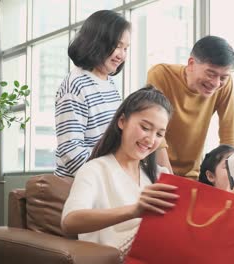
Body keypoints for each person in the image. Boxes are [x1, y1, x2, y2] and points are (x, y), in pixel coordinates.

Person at [61, 86, 178, 260]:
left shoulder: (159, 176)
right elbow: (69, 221)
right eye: (145, 127)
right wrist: (134, 210)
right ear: (122, 121)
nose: (151, 140)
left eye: (160, 134)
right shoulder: (95, 170)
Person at [147, 35, 234, 179]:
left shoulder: (225, 85)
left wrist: (233, 181)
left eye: (222, 77)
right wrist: (169, 179)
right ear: (191, 63)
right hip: (156, 171)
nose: (216, 83)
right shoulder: (161, 75)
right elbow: (154, 131)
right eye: (211, 74)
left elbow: (229, 136)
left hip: (193, 175)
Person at [54, 10, 130, 177]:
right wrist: (106, 178)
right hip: (84, 182)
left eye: (125, 48)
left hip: (106, 174)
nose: (122, 55)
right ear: (97, 41)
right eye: (118, 46)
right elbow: (71, 150)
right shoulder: (76, 84)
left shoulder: (109, 83)